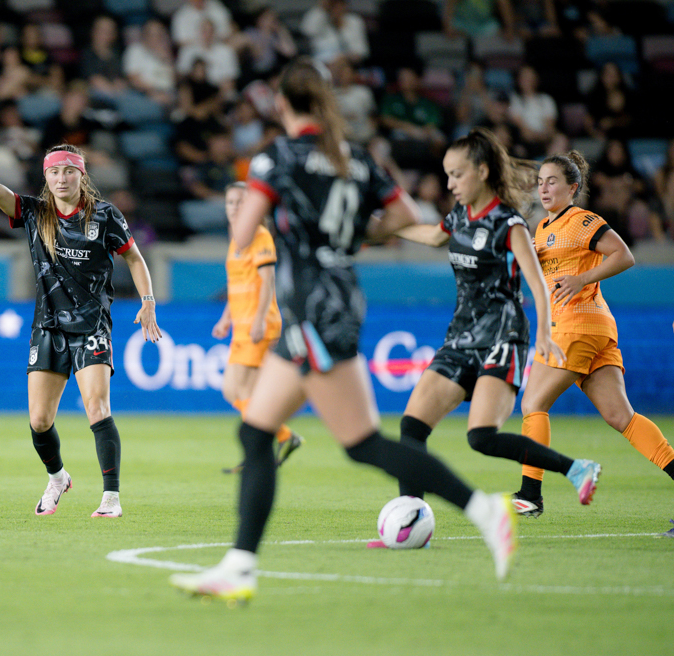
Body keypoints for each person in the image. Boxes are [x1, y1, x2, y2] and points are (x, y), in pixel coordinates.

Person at [170, 59, 520, 603]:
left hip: (310, 306)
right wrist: (349, 235)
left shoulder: (277, 157)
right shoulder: (355, 158)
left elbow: (242, 234)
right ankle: (239, 567)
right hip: (338, 298)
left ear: (281, 104)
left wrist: (294, 226)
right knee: (256, 433)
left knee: (361, 444)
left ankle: (482, 509)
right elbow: (403, 214)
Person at [0, 130, 162, 519]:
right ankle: (58, 477)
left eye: (69, 171)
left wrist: (148, 301)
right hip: (48, 327)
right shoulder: (36, 213)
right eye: (54, 172)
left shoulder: (105, 215)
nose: (61, 179)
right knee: (39, 421)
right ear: (46, 177)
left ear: (81, 176)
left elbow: (135, 258)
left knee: (97, 407)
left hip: (91, 326)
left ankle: (111, 497)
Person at [384, 128, 602, 528]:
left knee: (481, 438)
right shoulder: (459, 214)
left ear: (482, 172)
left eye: (457, 174)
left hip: (504, 336)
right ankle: (408, 521)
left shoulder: (509, 223)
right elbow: (432, 236)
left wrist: (544, 334)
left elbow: (536, 282)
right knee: (411, 427)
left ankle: (576, 469)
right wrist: (384, 227)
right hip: (462, 335)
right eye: (447, 175)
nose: (450, 184)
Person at [512, 151, 674, 526]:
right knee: (621, 416)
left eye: (553, 181)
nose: (544, 188)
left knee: (533, 403)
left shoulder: (582, 221)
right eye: (540, 182)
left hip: (576, 326)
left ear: (573, 187)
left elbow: (624, 255)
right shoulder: (542, 229)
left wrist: (582, 279)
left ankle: (530, 496)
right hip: (595, 330)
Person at [212, 182, 303, 474]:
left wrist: (260, 318)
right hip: (242, 324)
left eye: (241, 202)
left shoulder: (259, 235)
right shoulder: (236, 239)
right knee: (235, 391)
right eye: (230, 202)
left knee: (242, 389)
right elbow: (237, 283)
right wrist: (226, 318)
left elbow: (267, 280)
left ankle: (261, 452)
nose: (234, 208)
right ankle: (282, 437)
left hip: (257, 322)